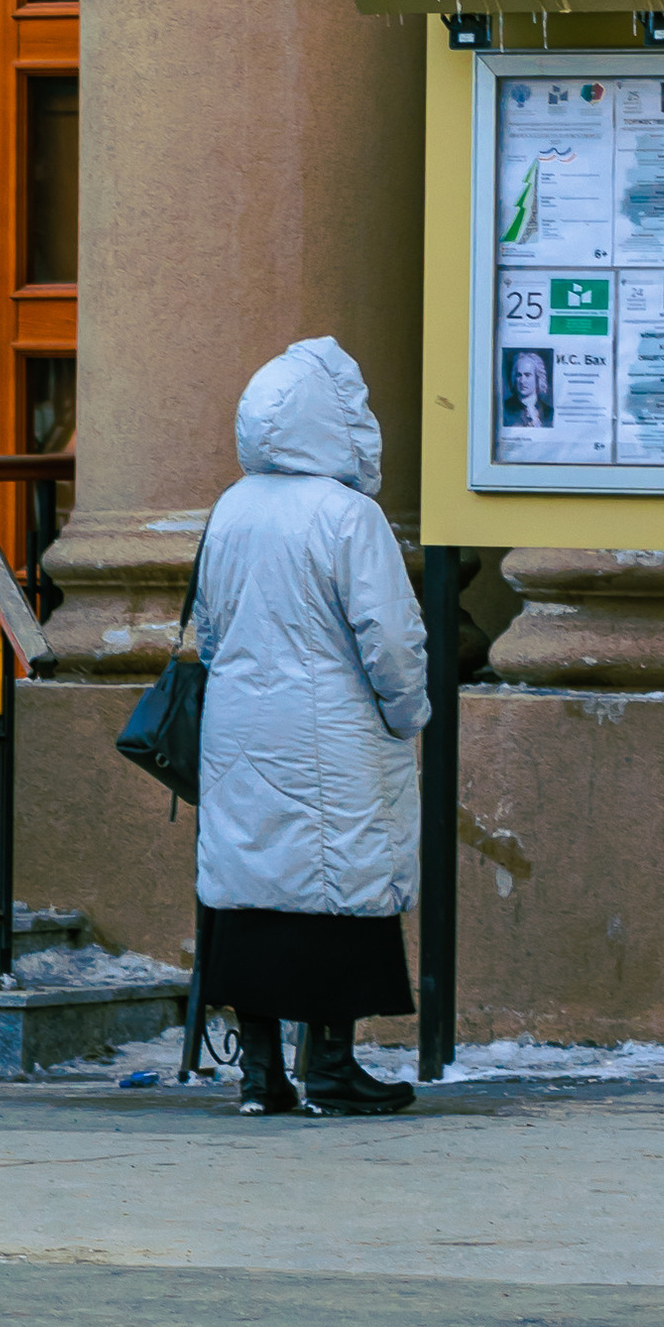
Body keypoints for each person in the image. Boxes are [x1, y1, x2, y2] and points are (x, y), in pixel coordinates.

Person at [192, 336, 429, 1121]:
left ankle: (261, 1073)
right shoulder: (347, 515)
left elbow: (211, 630)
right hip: (334, 734)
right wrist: (407, 714)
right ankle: (331, 1066)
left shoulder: (232, 506)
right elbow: (390, 638)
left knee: (252, 888)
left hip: (241, 730)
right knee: (340, 892)